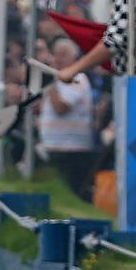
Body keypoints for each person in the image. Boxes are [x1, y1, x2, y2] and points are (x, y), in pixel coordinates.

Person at [40, 39, 96, 201]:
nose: (58, 59)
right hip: (54, 146)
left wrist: (50, 85)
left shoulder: (78, 79)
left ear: (74, 57)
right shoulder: (57, 81)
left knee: (71, 193)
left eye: (63, 55)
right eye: (55, 54)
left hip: (72, 149)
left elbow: (61, 108)